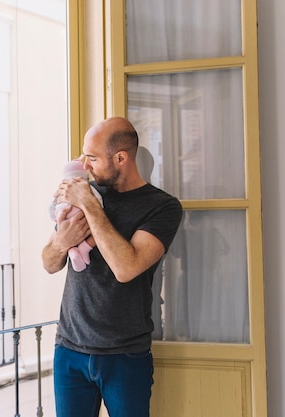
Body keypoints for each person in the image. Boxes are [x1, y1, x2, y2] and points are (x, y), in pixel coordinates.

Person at [42, 116, 183, 417]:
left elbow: (126, 267)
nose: (84, 165)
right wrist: (60, 241)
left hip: (125, 355)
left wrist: (90, 207)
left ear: (121, 158)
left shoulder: (162, 207)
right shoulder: (85, 196)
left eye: (91, 157)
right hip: (69, 350)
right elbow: (49, 263)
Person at [48, 157, 103, 272]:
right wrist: (62, 244)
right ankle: (79, 250)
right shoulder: (76, 190)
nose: (87, 166)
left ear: (120, 158)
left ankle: (79, 250)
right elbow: (49, 266)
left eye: (93, 158)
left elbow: (124, 272)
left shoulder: (147, 203)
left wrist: (53, 215)